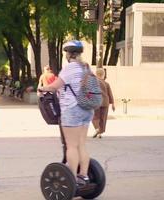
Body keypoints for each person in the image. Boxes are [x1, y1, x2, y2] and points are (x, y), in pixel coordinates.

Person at [38, 40, 93, 185]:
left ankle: (72, 178)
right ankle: (84, 176)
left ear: (68, 54)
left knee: (71, 146)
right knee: (81, 144)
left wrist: (43, 89)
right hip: (87, 109)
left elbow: (55, 86)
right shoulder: (86, 67)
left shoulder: (69, 68)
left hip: (72, 109)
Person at [92, 68, 115, 139]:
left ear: (96, 74)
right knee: (103, 118)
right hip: (105, 103)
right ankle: (100, 133)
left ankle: (97, 129)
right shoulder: (106, 83)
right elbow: (110, 94)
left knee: (95, 117)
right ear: (103, 75)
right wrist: (113, 104)